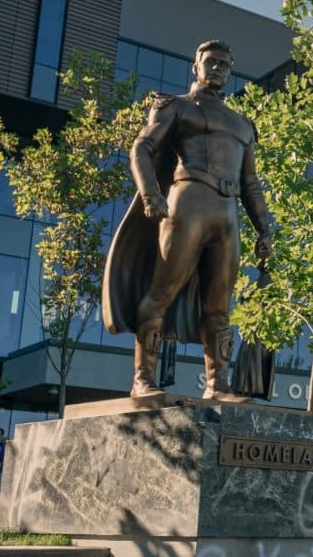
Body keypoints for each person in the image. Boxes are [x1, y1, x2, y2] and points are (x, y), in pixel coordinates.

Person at [102, 39, 272, 402]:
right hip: (187, 203)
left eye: (224, 64)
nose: (217, 68)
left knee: (219, 308)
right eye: (210, 62)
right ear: (195, 67)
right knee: (160, 293)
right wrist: (151, 195)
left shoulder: (243, 125)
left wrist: (265, 229)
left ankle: (218, 386)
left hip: (227, 215)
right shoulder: (175, 107)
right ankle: (142, 379)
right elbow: (142, 148)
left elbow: (251, 185)